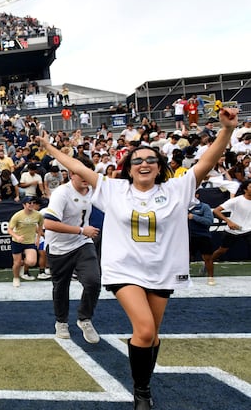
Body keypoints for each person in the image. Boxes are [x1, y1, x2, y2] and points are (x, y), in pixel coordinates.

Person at [35, 106, 238, 410]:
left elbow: (207, 161)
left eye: (150, 160)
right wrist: (49, 148)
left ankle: (144, 383)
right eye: (137, 160)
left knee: (152, 336)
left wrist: (227, 130)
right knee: (143, 330)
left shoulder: (177, 189)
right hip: (125, 270)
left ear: (159, 166)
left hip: (163, 270)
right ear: (129, 167)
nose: (144, 164)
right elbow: (77, 166)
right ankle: (141, 392)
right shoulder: (113, 189)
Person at [41, 157, 102, 344]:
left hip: (82, 243)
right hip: (60, 247)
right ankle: (61, 322)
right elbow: (48, 223)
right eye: (80, 172)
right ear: (71, 174)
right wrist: (82, 230)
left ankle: (84, 318)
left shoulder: (94, 190)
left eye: (88, 173)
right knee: (61, 286)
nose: (85, 177)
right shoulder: (62, 193)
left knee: (93, 281)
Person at [210, 179, 251, 267]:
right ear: (245, 189)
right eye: (250, 187)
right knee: (222, 250)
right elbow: (216, 211)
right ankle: (207, 265)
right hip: (233, 230)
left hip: (248, 230)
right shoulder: (236, 200)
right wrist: (229, 222)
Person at [8, 197, 44, 288]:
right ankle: (16, 278)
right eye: (29, 203)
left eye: (33, 202)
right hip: (17, 242)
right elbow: (9, 229)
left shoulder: (38, 215)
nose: (31, 204)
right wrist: (17, 237)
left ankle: (23, 264)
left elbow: (40, 226)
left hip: (30, 241)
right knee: (17, 263)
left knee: (32, 262)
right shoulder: (17, 215)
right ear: (24, 205)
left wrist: (38, 238)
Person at [188, 189, 216, 286]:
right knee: (186, 258)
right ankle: (185, 277)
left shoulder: (204, 207)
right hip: (188, 237)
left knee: (208, 258)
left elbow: (209, 221)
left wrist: (194, 217)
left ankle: (211, 278)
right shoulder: (183, 207)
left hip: (203, 236)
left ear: (197, 195)